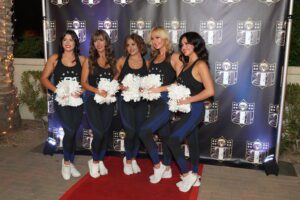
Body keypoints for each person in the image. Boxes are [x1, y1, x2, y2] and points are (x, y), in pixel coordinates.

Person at [167, 32, 214, 192]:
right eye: (181, 44)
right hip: (186, 110)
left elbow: (209, 91)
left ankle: (187, 175)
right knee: (192, 141)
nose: (184, 47)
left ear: (196, 44)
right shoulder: (186, 64)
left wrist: (188, 100)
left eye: (187, 43)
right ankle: (194, 174)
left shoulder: (200, 64)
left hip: (195, 110)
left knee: (173, 140)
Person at [138, 27, 181, 184]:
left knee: (144, 131)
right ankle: (168, 168)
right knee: (165, 135)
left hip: (166, 103)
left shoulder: (174, 57)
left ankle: (158, 166)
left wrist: (160, 89)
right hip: (154, 103)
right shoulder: (153, 59)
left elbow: (180, 81)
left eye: (158, 37)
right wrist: (144, 87)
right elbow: (150, 81)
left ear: (165, 38)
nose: (155, 41)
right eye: (153, 39)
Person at [41, 30, 86, 180]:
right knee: (70, 129)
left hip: (77, 102)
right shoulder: (55, 58)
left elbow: (87, 82)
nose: (68, 43)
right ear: (61, 43)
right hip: (61, 100)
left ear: (75, 43)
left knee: (72, 132)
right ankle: (66, 163)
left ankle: (69, 160)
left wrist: (82, 90)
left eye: (71, 40)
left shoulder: (83, 60)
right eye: (65, 40)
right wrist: (57, 90)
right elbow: (44, 79)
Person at [81, 30, 116, 178]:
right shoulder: (89, 61)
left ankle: (100, 159)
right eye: (96, 41)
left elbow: (115, 81)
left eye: (101, 40)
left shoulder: (113, 61)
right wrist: (96, 90)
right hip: (92, 100)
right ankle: (94, 162)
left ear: (106, 42)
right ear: (93, 44)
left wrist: (113, 90)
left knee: (105, 132)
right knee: (99, 132)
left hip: (107, 101)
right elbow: (83, 83)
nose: (99, 43)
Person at [115, 33, 148, 175]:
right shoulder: (122, 61)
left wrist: (144, 88)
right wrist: (120, 86)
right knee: (131, 131)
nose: (130, 48)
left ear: (140, 45)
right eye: (128, 45)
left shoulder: (147, 63)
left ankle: (133, 157)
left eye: (133, 44)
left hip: (141, 102)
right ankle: (128, 160)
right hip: (125, 101)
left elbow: (149, 83)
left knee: (139, 131)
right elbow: (113, 81)